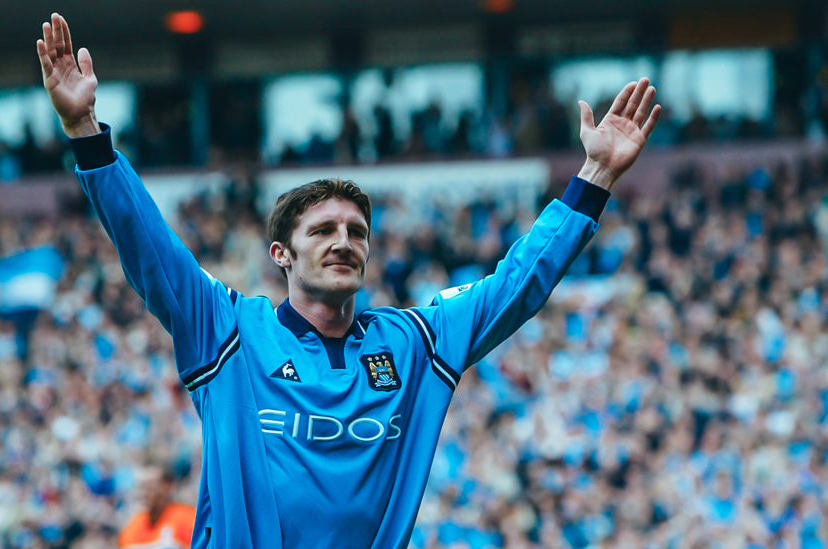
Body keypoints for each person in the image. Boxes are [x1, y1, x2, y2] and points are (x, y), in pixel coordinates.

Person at [37, 12, 660, 549]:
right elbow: (148, 247)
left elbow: (517, 285)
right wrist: (86, 135)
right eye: (323, 230)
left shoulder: (416, 342)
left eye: (357, 231)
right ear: (281, 253)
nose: (344, 241)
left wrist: (594, 178)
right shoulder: (226, 329)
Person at [118, 465, 196, 549]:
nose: (144, 493)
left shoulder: (188, 519)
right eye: (141, 487)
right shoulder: (134, 525)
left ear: (168, 486)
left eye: (149, 487)